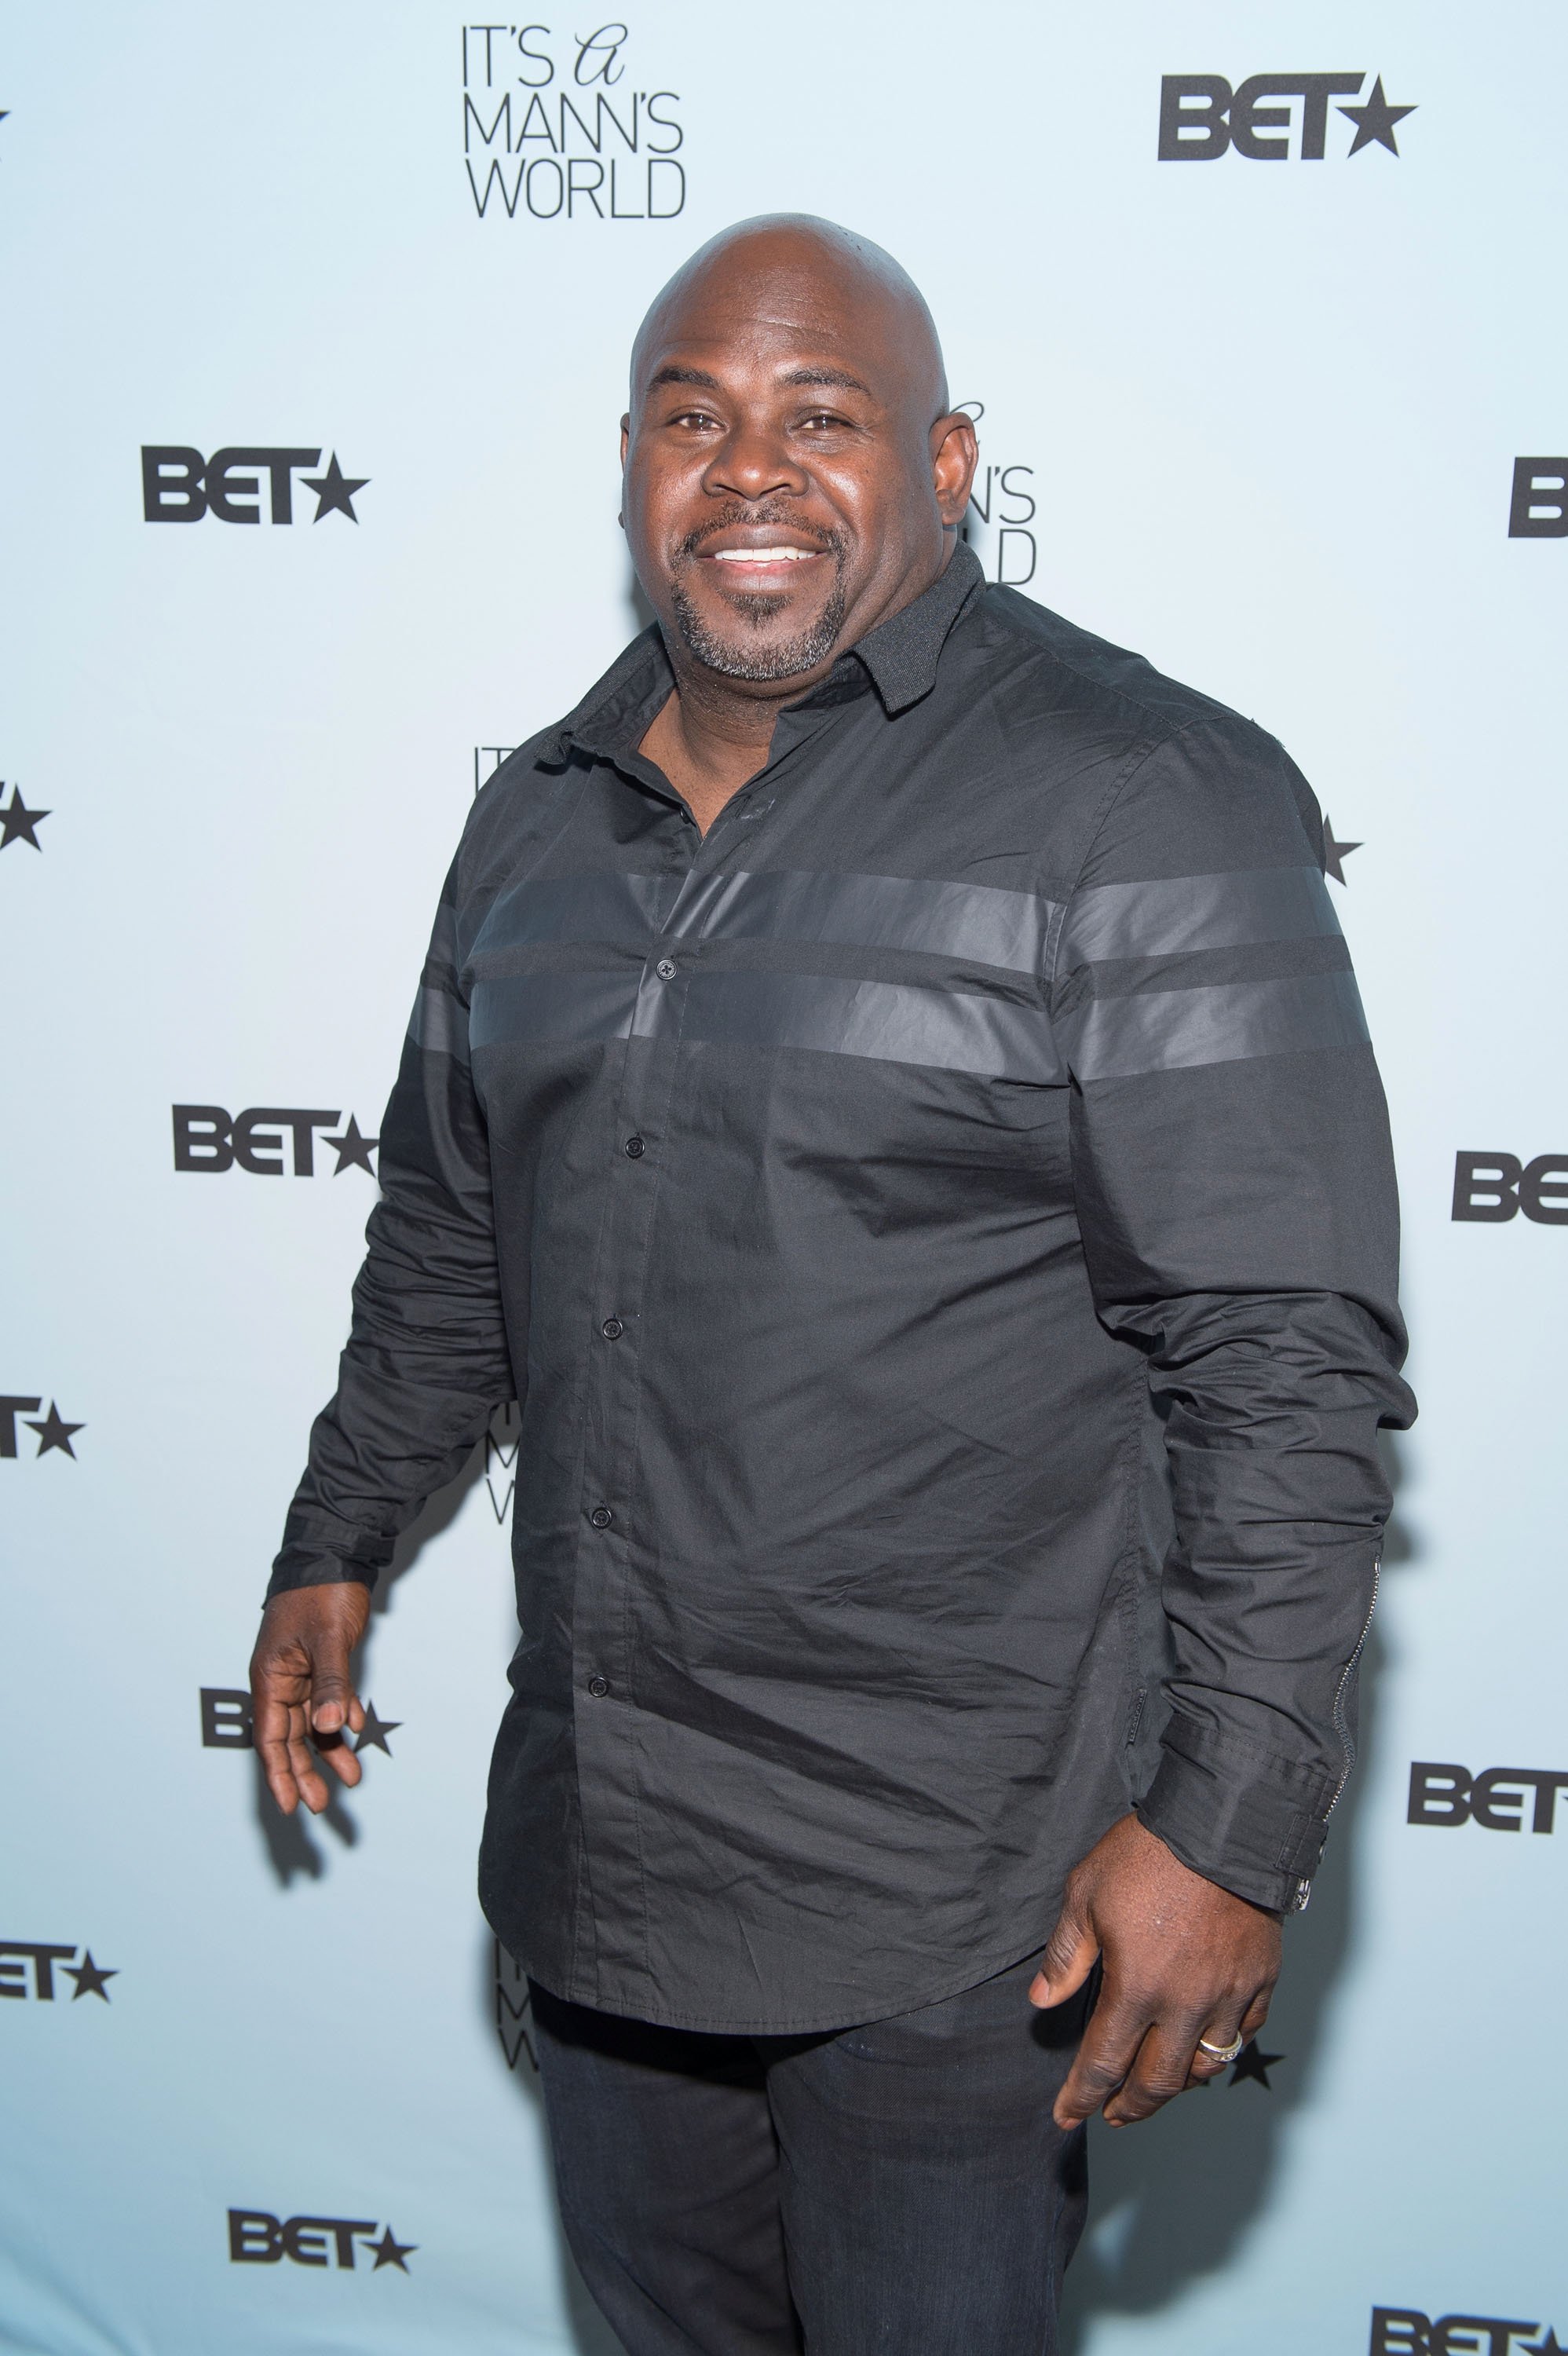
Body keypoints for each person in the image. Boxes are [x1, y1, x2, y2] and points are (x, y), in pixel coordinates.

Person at [251, 215, 1413, 2354]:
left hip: (965, 1901)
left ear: (948, 463)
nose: (751, 468)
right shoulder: (532, 821)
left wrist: (1227, 1831)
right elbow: (442, 1237)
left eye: (825, 415)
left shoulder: (1141, 795)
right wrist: (338, 1538)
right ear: (627, 471)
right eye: (694, 418)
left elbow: (1279, 1361)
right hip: (606, 1855)